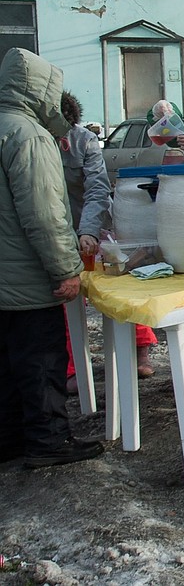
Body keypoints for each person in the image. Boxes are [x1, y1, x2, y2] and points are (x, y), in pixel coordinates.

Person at [0, 48, 104, 468]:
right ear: (41, 90)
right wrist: (65, 268)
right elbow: (44, 213)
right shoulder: (29, 136)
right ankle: (48, 441)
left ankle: (10, 439)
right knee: (40, 359)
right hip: (26, 275)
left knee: (7, 363)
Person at [59, 91, 157, 390]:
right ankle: (72, 367)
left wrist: (88, 230)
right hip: (54, 232)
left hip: (90, 225)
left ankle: (141, 348)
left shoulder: (83, 141)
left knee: (118, 286)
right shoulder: (31, 139)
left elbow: (96, 189)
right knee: (65, 296)